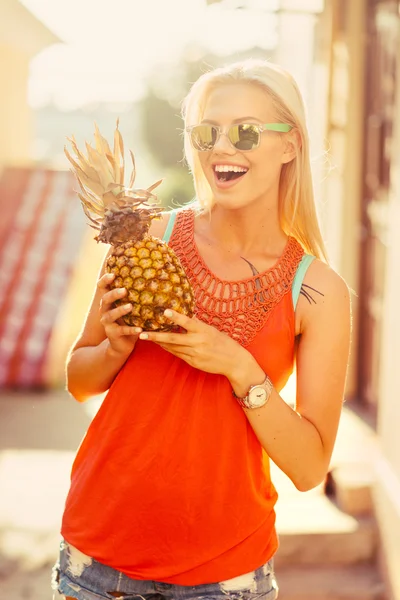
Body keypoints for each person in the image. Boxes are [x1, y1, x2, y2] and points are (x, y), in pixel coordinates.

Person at [52, 58, 351, 600]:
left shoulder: (318, 291)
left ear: (290, 145)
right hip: (97, 564)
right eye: (207, 132)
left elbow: (309, 468)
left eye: (246, 132)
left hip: (226, 576)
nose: (222, 148)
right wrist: (116, 348)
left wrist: (241, 367)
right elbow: (78, 380)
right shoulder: (142, 239)